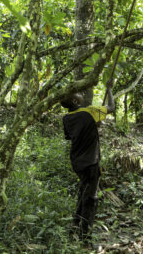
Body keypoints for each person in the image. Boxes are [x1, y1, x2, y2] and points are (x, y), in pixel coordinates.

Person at [60, 81, 115, 242]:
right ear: (76, 101)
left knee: (83, 192)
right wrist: (109, 89)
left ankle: (75, 224)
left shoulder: (66, 118)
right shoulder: (89, 112)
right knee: (90, 198)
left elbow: (71, 136)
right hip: (91, 162)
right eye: (77, 94)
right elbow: (111, 108)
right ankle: (85, 237)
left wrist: (92, 125)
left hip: (77, 162)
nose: (81, 94)